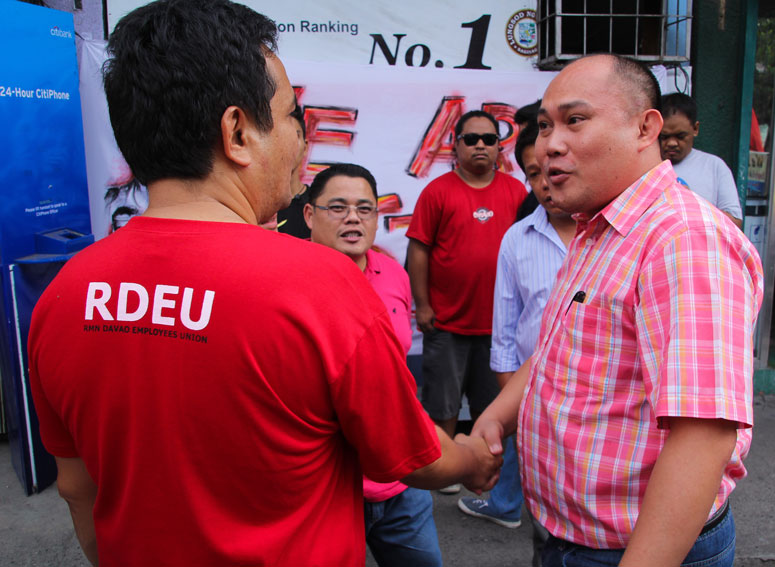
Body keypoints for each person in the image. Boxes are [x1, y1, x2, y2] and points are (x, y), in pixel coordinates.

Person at [27, 2, 500, 566]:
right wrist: (474, 460)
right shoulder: (319, 285)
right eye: (292, 116)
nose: (302, 140)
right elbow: (414, 458)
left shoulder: (65, 293)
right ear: (238, 133)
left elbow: (78, 487)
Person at [473, 54, 764, 567]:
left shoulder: (684, 239)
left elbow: (703, 437)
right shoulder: (597, 228)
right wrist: (498, 416)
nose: (549, 144)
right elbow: (556, 352)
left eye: (574, 120)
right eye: (544, 126)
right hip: (570, 537)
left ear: (645, 128)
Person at [305, 163, 442, 566]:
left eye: (364, 209)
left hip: (401, 481)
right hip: (326, 487)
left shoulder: (393, 274)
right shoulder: (290, 282)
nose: (353, 217)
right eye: (338, 207)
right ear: (310, 215)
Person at [458, 124, 575, 565]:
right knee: (550, 531)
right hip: (534, 398)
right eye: (533, 173)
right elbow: (505, 333)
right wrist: (514, 404)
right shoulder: (517, 239)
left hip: (599, 414)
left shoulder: (608, 238)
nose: (547, 181)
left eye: (554, 169)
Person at [406, 110, 527, 492]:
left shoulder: (516, 192)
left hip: (500, 327)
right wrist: (422, 304)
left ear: (498, 147)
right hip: (447, 322)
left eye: (489, 139)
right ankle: (445, 472)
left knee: (491, 409)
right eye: (471, 139)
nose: (480, 145)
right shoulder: (437, 191)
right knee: (441, 405)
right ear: (455, 145)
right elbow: (419, 250)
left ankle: (487, 472)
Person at [659, 93, 743, 228]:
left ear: (695, 129)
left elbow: (735, 223)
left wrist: (692, 202)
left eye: (680, 136)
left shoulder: (714, 166)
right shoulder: (646, 166)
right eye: (664, 136)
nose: (672, 143)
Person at [274, 103, 311, 237]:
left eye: (295, 136)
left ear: (305, 146)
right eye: (280, 136)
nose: (288, 144)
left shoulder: (320, 204)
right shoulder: (253, 206)